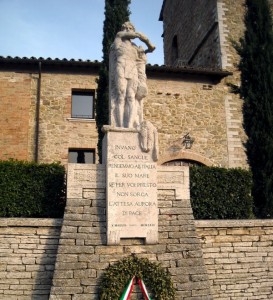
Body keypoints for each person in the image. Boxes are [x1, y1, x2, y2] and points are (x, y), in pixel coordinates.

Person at [109, 21, 155, 128]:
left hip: (133, 71)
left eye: (130, 28)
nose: (128, 30)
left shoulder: (136, 48)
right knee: (121, 96)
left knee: (131, 97)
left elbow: (151, 49)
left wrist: (147, 42)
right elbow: (125, 35)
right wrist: (139, 35)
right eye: (126, 28)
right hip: (120, 68)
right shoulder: (118, 40)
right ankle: (120, 125)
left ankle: (130, 126)